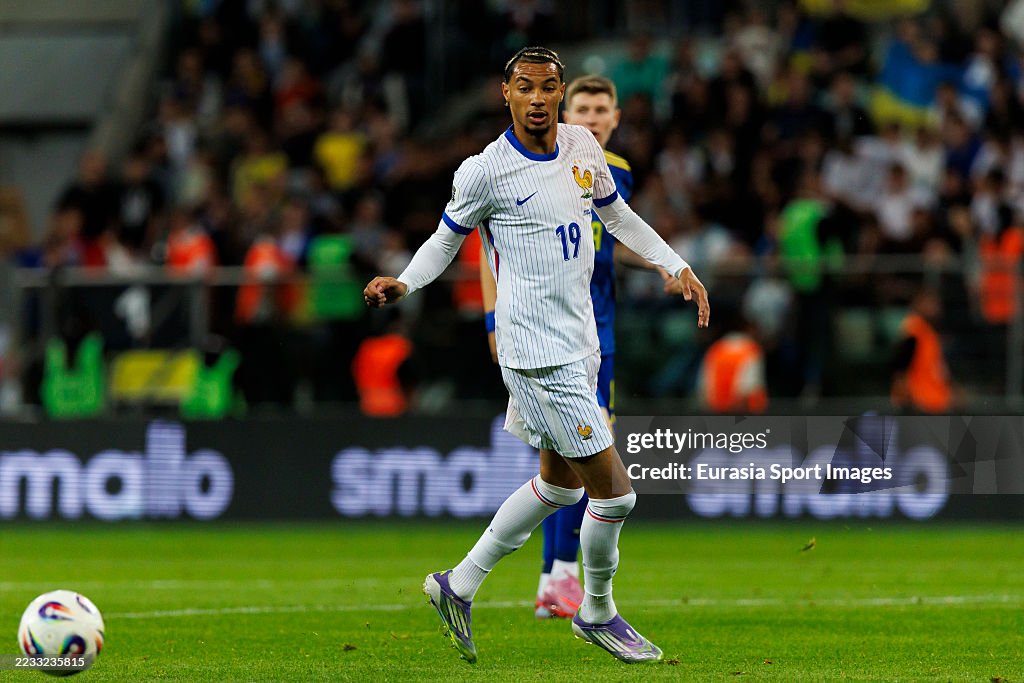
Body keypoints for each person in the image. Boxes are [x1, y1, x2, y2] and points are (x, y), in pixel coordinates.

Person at [364, 47, 709, 664]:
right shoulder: (484, 171)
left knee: (558, 485)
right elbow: (447, 240)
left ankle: (458, 584)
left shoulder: (582, 148)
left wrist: (674, 264)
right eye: (525, 87)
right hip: (535, 353)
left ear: (558, 92)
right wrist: (405, 283)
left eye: (549, 87)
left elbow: (618, 215)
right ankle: (596, 611)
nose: (538, 98)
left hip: (581, 342)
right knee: (616, 495)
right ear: (506, 93)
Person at [479, 74, 673, 620]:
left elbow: (611, 232)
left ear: (614, 119)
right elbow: (488, 244)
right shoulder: (520, 166)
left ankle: (526, 580)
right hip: (544, 330)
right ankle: (567, 584)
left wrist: (662, 262)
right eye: (581, 107)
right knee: (589, 468)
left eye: (598, 109)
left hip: (596, 327)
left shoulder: (616, 171)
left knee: (564, 469)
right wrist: (492, 319)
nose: (588, 117)